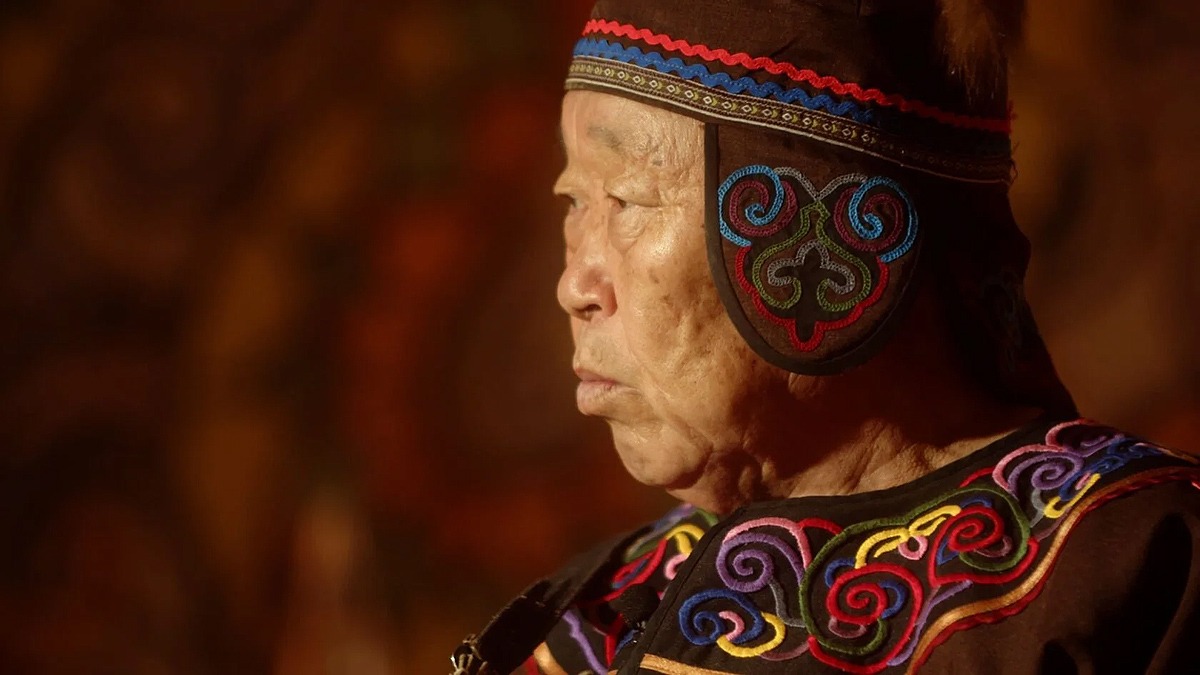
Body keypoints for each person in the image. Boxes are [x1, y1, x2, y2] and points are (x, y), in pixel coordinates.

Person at [452, 1, 1200, 673]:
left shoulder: (1142, 569)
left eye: (625, 200)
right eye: (574, 202)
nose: (574, 286)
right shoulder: (596, 613)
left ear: (815, 222)